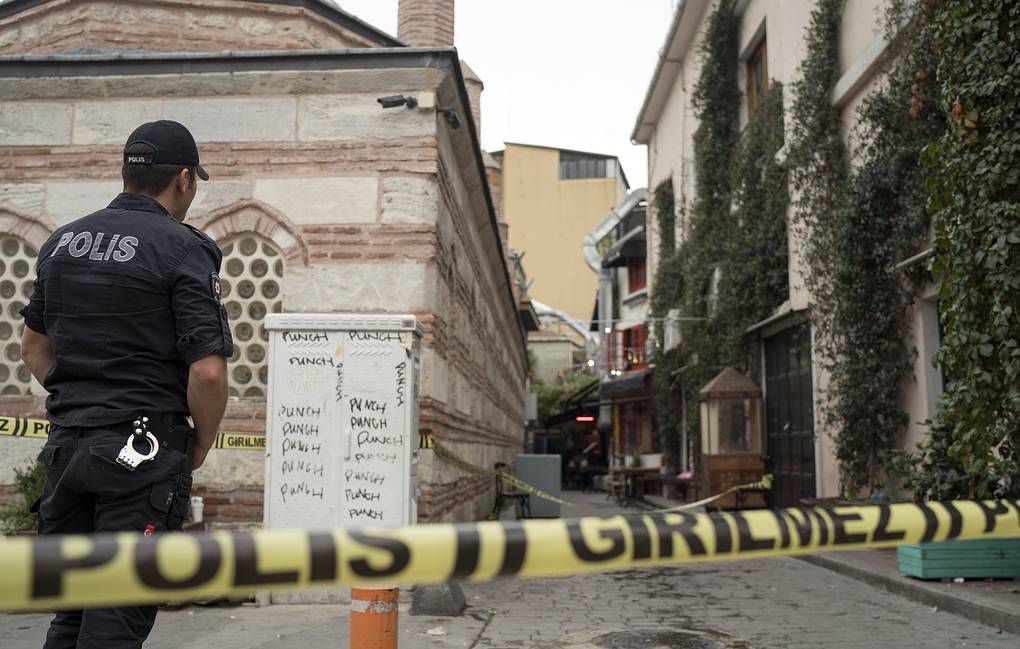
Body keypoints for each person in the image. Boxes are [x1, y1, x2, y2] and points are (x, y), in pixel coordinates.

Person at [19, 120, 233, 649]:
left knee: (70, 616)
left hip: (67, 452)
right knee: (115, 621)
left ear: (126, 174)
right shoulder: (184, 247)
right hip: (143, 457)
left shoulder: (61, 242)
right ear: (184, 179)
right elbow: (207, 371)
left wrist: (80, 402)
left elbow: (33, 349)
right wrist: (201, 440)